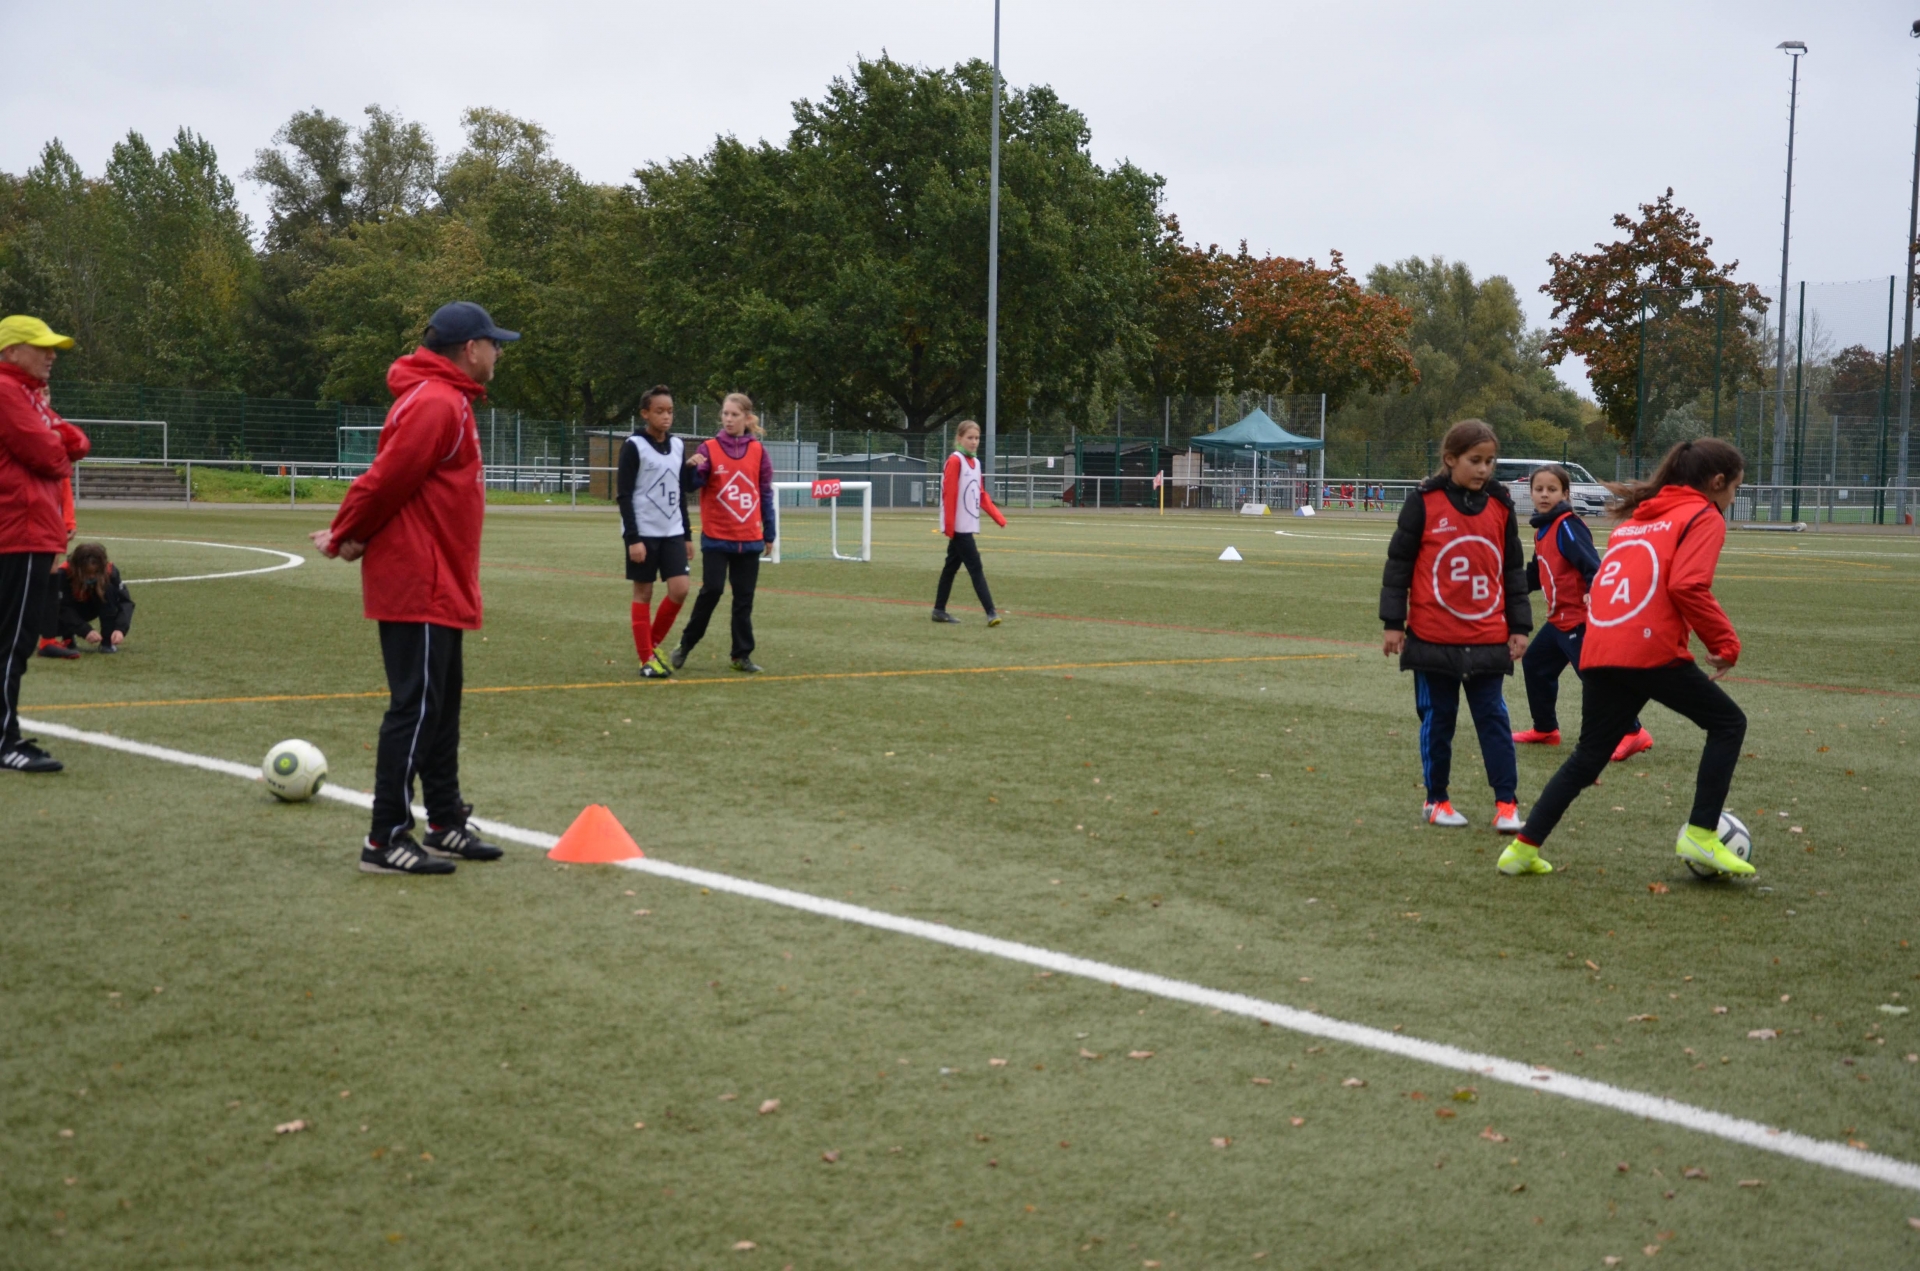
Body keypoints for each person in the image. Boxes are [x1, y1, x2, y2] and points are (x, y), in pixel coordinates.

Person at [309, 301, 517, 875]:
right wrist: (346, 533)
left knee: (440, 706)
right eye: (494, 344)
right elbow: (385, 479)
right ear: (470, 349)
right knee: (416, 708)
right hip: (420, 579)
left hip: (440, 578)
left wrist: (354, 534)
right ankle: (385, 838)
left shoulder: (447, 399)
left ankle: (444, 820)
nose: (499, 353)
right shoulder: (435, 401)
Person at [1497, 439, 1751, 878]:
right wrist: (1725, 645)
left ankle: (1522, 849)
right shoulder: (1703, 515)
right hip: (1647, 648)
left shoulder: (1637, 520)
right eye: (1735, 489)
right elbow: (1688, 586)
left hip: (1600, 646)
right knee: (1728, 724)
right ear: (1717, 482)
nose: (1733, 499)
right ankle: (1702, 834)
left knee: (1588, 755)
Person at [1379, 419, 1530, 832]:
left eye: (1489, 461)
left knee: (1494, 721)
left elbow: (1513, 570)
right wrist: (1394, 622)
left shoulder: (1501, 504)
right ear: (1450, 459)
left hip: (1486, 639)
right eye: (1474, 460)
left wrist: (1520, 627)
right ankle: (1437, 799)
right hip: (1433, 638)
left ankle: (1506, 804)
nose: (1483, 469)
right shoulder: (1423, 502)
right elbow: (1399, 566)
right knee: (1438, 720)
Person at [1511, 465, 1651, 760]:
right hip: (1559, 621)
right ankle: (1546, 729)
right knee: (1536, 664)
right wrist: (1506, 589)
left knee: (1596, 679)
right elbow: (1537, 575)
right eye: (1539, 489)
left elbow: (1592, 565)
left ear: (1565, 494)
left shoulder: (1566, 526)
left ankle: (1634, 731)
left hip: (1580, 619)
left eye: (1552, 489)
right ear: (1531, 493)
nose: (1545, 495)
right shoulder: (1543, 528)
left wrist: (1594, 591)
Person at [0, 315, 88, 774]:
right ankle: (4, 741)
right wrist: (59, 442)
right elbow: (52, 456)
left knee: (13, 640)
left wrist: (59, 440)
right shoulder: (7, 392)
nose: (52, 354)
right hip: (17, 532)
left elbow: (78, 441)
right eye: (41, 346)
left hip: (25, 532)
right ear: (12, 351)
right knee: (13, 641)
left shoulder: (26, 396)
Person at [671, 391, 775, 674]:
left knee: (744, 599)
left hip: (749, 539)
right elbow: (692, 486)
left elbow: (765, 493)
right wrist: (691, 469)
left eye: (734, 415)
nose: (728, 419)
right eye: (725, 414)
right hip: (717, 537)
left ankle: (741, 656)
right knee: (712, 590)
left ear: (747, 418)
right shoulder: (708, 448)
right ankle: (685, 645)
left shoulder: (758, 452)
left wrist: (770, 533)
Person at [617, 385, 692, 679]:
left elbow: (680, 491)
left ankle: (652, 646)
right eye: (659, 411)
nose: (666, 416)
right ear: (645, 413)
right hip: (644, 534)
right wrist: (633, 539)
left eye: (670, 411)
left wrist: (686, 534)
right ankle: (646, 658)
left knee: (681, 589)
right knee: (643, 592)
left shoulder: (678, 446)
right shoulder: (634, 446)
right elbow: (624, 495)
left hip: (672, 532)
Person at [931, 419, 1007, 625]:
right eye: (970, 438)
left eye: (977, 438)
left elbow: (980, 494)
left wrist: (998, 517)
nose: (974, 442)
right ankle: (991, 612)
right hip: (959, 527)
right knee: (975, 567)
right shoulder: (955, 461)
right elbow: (949, 494)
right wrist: (948, 526)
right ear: (959, 438)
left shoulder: (976, 463)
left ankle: (939, 610)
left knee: (951, 567)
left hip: (967, 524)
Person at [38, 542, 133, 657]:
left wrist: (120, 628)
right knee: (55, 610)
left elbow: (125, 602)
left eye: (96, 572)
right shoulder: (63, 573)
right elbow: (62, 608)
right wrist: (85, 630)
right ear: (76, 568)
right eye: (87, 573)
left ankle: (107, 642)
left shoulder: (110, 572)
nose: (92, 577)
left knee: (109, 591)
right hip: (61, 613)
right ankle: (68, 638)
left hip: (90, 606)